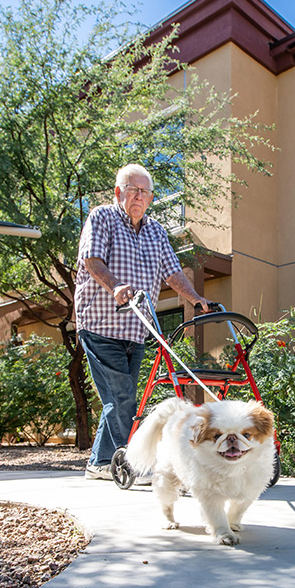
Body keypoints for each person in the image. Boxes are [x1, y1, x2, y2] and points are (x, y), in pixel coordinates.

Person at [74, 163, 212, 479]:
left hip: (137, 328)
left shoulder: (155, 231)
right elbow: (91, 259)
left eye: (145, 191)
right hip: (100, 324)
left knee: (117, 397)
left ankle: (99, 463)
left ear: (151, 198)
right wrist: (115, 286)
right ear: (118, 192)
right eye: (133, 190)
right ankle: (135, 464)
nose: (139, 196)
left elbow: (173, 272)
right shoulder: (102, 217)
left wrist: (195, 299)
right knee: (122, 395)